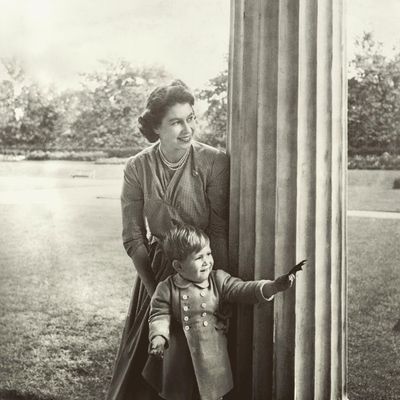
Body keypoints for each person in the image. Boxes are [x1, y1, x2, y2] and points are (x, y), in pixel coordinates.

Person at [106, 80, 229, 400]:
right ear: (156, 128)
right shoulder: (137, 167)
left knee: (200, 369)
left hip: (202, 272)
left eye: (191, 118)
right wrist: (157, 294)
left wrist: (211, 286)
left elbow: (218, 230)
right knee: (150, 365)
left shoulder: (214, 162)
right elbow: (133, 237)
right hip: (156, 273)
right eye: (176, 122)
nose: (187, 129)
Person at [146, 224, 299, 400]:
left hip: (211, 358)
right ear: (178, 266)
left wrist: (272, 287)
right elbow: (159, 314)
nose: (207, 261)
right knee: (180, 394)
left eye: (208, 254)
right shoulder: (166, 288)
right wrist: (158, 336)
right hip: (180, 359)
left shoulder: (218, 279)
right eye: (198, 258)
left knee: (212, 394)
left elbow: (243, 289)